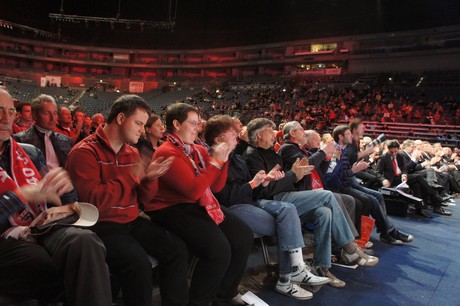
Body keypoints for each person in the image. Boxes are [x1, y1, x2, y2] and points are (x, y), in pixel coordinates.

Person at [66, 95, 189, 306]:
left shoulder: (131, 152)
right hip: (100, 225)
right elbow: (94, 202)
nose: (143, 130)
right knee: (138, 264)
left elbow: (144, 199)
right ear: (121, 118)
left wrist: (149, 179)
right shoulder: (84, 152)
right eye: (139, 123)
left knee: (177, 250)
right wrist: (134, 176)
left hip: (130, 220)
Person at [0, 88, 112, 306]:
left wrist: (64, 187)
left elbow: (63, 200)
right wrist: (20, 195)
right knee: (50, 263)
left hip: (39, 226)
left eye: (10, 111)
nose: (5, 118)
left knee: (87, 242)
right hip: (6, 238)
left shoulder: (29, 153)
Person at [205, 115, 330, 300]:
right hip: (233, 208)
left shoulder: (236, 158)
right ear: (217, 139)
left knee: (288, 213)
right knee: (287, 222)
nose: (237, 134)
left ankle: (291, 273)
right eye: (231, 132)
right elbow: (225, 196)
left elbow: (252, 187)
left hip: (250, 202)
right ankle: (289, 276)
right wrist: (254, 185)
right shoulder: (215, 160)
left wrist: (265, 181)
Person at [243, 118, 378, 288]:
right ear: (259, 135)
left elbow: (291, 177)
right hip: (274, 200)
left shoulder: (273, 152)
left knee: (325, 212)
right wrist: (293, 175)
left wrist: (292, 175)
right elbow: (264, 190)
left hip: (287, 194)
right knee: (327, 196)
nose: (273, 134)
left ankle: (322, 266)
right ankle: (350, 248)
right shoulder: (251, 155)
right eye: (270, 131)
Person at [141, 103, 253, 306]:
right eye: (192, 123)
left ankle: (225, 293)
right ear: (176, 124)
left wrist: (224, 157)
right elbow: (193, 190)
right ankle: (200, 301)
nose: (197, 128)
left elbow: (216, 187)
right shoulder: (167, 152)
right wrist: (216, 162)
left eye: (198, 124)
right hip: (168, 208)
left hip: (194, 203)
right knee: (218, 250)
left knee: (243, 235)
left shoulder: (197, 150)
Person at [323, 125, 414, 245]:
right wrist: (354, 170)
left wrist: (355, 169)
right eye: (349, 134)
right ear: (340, 136)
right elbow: (333, 177)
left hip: (348, 182)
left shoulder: (343, 150)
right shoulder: (334, 151)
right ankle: (387, 231)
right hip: (341, 186)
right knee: (370, 200)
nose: (352, 136)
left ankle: (387, 230)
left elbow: (344, 172)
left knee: (378, 196)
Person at [278, 123, 362, 239]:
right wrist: (323, 153)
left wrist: (328, 160)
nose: (319, 143)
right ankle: (348, 242)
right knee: (341, 199)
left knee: (350, 201)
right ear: (292, 133)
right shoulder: (288, 148)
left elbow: (321, 173)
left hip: (320, 188)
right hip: (306, 192)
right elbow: (308, 166)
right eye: (301, 129)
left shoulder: (303, 151)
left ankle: (345, 241)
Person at [379, 140, 450, 216]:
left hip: (401, 178)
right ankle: (434, 197)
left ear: (398, 149)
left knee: (417, 185)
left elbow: (403, 168)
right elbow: (378, 172)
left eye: (395, 152)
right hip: (391, 180)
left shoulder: (398, 156)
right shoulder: (383, 158)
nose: (394, 154)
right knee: (418, 177)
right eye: (391, 152)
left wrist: (404, 174)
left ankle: (419, 209)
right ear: (388, 149)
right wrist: (383, 180)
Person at [13, 94, 74, 169]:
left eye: (55, 113)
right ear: (35, 115)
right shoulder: (20, 140)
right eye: (47, 113)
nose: (52, 118)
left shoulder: (67, 141)